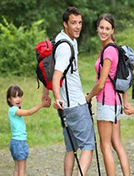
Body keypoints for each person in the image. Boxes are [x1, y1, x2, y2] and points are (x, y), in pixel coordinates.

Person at [42, 7, 97, 176]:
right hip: (74, 104)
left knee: (71, 149)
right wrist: (57, 98)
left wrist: (48, 95)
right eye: (73, 23)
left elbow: (49, 69)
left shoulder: (60, 39)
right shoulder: (66, 47)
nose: (78, 26)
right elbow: (56, 75)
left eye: (80, 23)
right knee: (88, 146)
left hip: (66, 108)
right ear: (65, 24)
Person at [84, 13, 130, 176]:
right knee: (117, 143)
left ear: (112, 30)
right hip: (115, 101)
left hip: (106, 102)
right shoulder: (111, 48)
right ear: (97, 28)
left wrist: (88, 97)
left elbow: (101, 83)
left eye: (107, 28)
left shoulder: (108, 51)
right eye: (101, 27)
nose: (104, 31)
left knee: (105, 146)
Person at [7, 85, 51, 176]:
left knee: (17, 170)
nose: (18, 99)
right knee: (21, 171)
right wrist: (41, 104)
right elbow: (29, 112)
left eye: (20, 96)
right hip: (19, 143)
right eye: (14, 97)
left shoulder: (13, 110)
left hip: (16, 142)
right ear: (9, 99)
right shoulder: (13, 110)